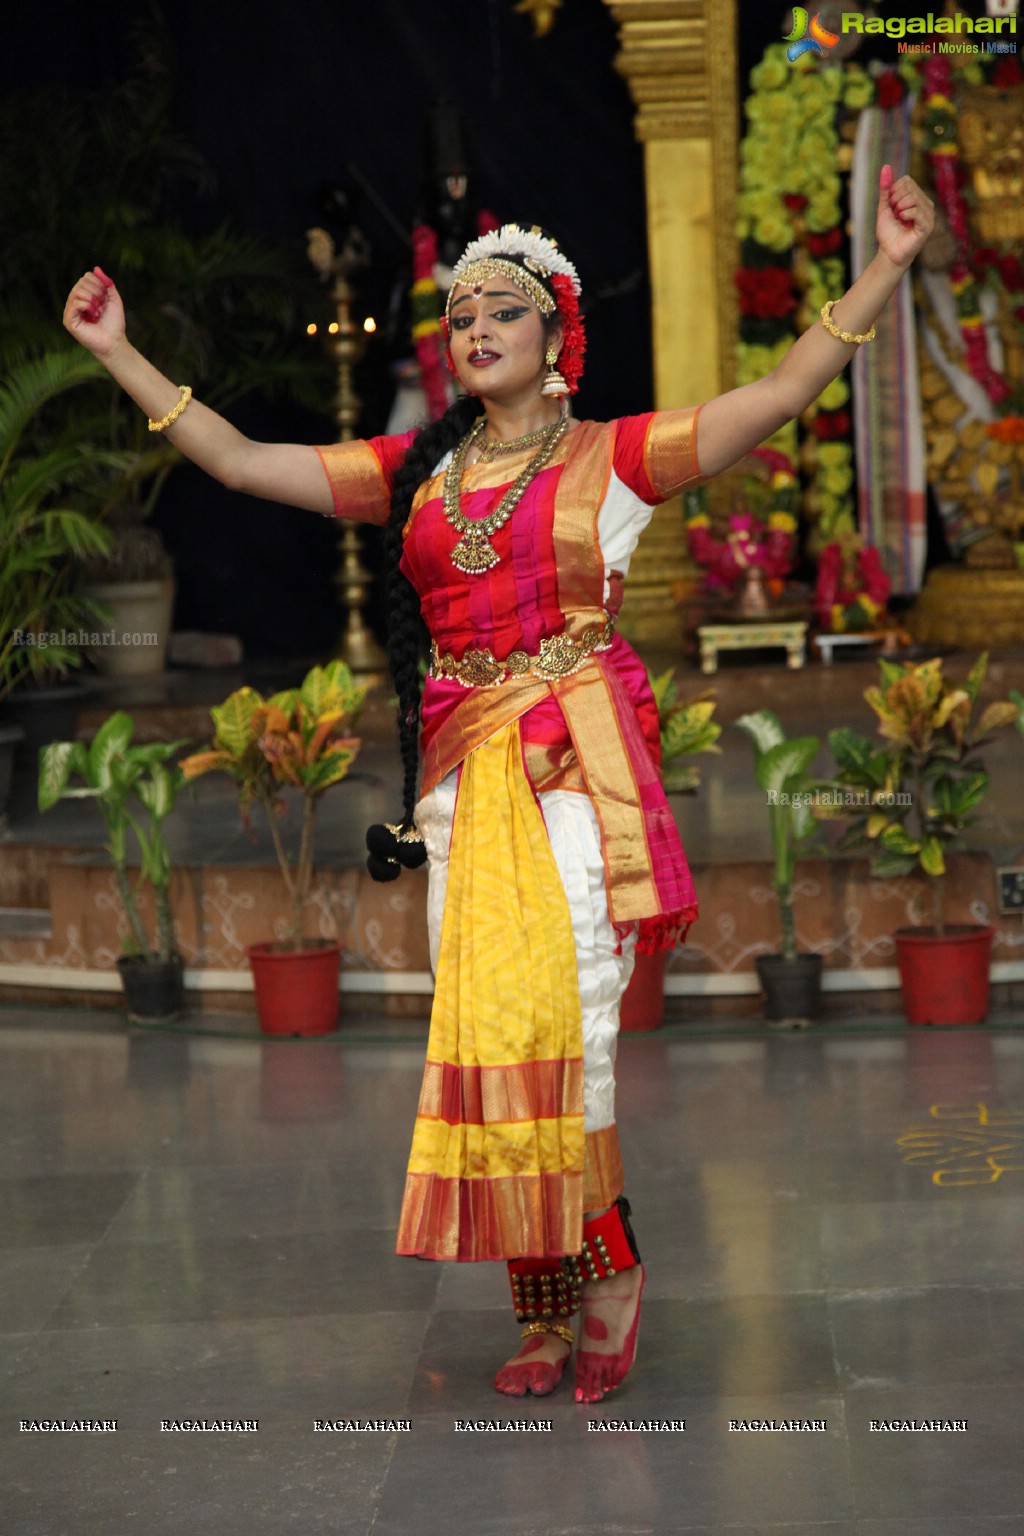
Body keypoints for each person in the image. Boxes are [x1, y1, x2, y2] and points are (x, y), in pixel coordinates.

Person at [64, 166, 934, 1404]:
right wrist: (120, 353)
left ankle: (610, 1270)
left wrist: (890, 263)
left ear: (556, 335)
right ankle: (540, 1304)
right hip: (463, 787)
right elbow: (249, 464)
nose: (473, 329)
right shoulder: (417, 473)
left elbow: (782, 393)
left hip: (571, 775)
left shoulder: (617, 461)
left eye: (501, 312)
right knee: (486, 1042)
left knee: (565, 1033)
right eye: (460, 316)